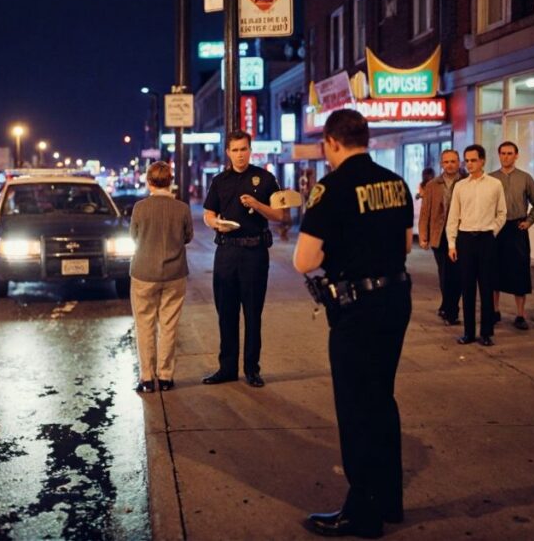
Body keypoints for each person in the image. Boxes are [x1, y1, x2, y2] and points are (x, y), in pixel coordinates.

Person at [293, 109, 413, 538]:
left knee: (356, 408)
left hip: (356, 308)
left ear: (331, 142)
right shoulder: (396, 184)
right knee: (382, 399)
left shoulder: (332, 187)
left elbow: (304, 260)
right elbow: (405, 243)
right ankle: (389, 500)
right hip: (396, 298)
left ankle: (362, 511)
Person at [202, 130, 289, 388]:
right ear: (227, 152)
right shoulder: (220, 181)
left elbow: (280, 215)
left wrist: (257, 204)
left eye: (244, 149)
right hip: (227, 251)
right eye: (235, 150)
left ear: (251, 150)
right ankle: (227, 368)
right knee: (226, 313)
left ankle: (252, 369)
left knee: (252, 313)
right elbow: (208, 212)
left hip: (254, 253)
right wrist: (215, 223)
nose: (240, 155)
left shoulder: (265, 179)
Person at [129, 161, 194, 393]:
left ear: (149, 182)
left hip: (143, 273)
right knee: (169, 325)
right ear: (170, 180)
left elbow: (134, 236)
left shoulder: (140, 208)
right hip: (175, 273)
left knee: (144, 325)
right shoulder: (182, 208)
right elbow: (188, 237)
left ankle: (147, 378)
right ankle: (166, 377)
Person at [447, 144, 507, 347]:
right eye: (467, 160)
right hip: (465, 239)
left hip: (486, 239)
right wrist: (452, 243)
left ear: (482, 161)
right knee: (467, 287)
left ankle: (487, 333)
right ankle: (468, 332)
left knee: (487, 287)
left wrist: (492, 231)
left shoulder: (495, 184)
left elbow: (502, 213)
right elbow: (453, 216)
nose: (469, 164)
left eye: (473, 160)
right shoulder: (460, 186)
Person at [489, 141, 534, 330]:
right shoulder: (491, 179)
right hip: (496, 230)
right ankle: (494, 311)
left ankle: (520, 315)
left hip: (516, 229)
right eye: (503, 153)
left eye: (510, 153)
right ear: (499, 155)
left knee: (519, 271)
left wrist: (529, 221)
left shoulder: (525, 178)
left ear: (516, 155)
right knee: (493, 270)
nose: (506, 157)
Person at [419, 149, 465, 325]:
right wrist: (424, 236)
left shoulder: (466, 182)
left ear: (459, 162)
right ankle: (449, 309)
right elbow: (425, 213)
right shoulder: (432, 185)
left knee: (458, 274)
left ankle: (449, 307)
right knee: (445, 274)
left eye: (453, 161)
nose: (450, 165)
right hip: (439, 235)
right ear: (441, 164)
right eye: (446, 162)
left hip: (461, 234)